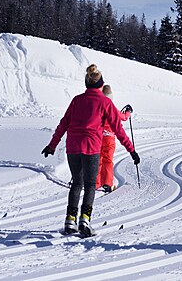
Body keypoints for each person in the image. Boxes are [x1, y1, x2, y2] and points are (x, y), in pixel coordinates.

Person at [41, 64, 139, 236]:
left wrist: (52, 145)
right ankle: (84, 220)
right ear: (101, 84)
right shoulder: (105, 102)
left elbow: (63, 124)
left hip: (72, 148)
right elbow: (118, 128)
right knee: (90, 185)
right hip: (92, 147)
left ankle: (70, 221)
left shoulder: (77, 100)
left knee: (77, 184)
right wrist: (131, 151)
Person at [96, 84, 133, 193]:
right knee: (108, 160)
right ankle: (107, 183)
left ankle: (95, 183)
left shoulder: (98, 107)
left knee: (97, 160)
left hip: (98, 137)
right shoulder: (112, 109)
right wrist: (128, 112)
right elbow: (124, 117)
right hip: (109, 138)